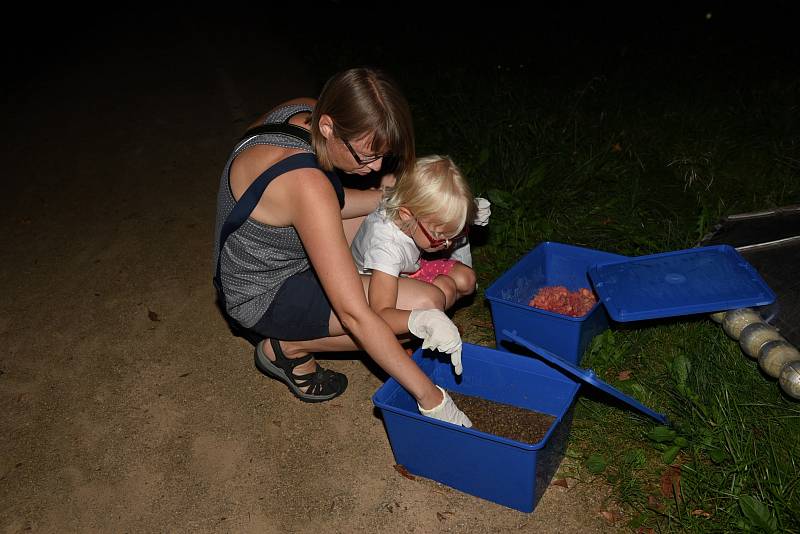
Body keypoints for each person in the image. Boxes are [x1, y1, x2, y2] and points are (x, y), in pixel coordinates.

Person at [212, 67, 472, 426]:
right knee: (422, 303)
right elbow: (356, 316)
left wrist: (387, 197)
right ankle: (287, 349)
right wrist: (432, 399)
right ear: (329, 128)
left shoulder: (303, 110)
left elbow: (324, 202)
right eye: (366, 156)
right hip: (260, 295)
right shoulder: (305, 183)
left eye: (384, 155)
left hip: (266, 260)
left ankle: (325, 318)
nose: (377, 166)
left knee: (387, 221)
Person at [350, 155, 479, 322]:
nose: (447, 244)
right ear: (406, 215)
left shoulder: (406, 203)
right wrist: (419, 323)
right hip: (380, 282)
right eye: (438, 235)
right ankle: (421, 335)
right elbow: (381, 312)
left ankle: (436, 319)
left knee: (466, 279)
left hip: (408, 268)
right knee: (444, 290)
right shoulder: (386, 248)